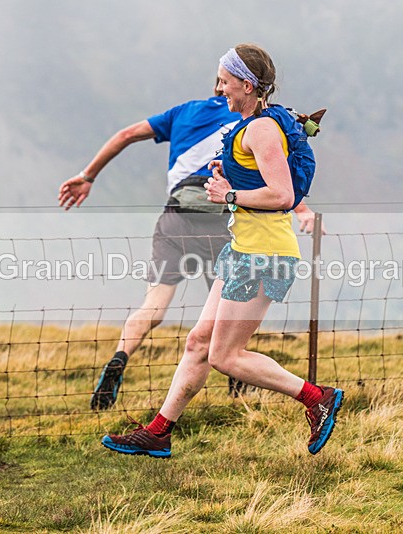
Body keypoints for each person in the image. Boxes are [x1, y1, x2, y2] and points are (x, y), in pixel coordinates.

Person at [101, 44, 343, 458]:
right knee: (198, 341)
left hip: (262, 255)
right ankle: (159, 432)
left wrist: (228, 195)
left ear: (247, 85)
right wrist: (227, 175)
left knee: (226, 356)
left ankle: (315, 397)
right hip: (243, 249)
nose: (220, 88)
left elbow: (282, 194)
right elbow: (259, 181)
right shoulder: (251, 125)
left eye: (225, 81)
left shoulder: (263, 129)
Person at [58, 79, 321, 410]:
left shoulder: (182, 114)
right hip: (220, 223)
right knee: (229, 316)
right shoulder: (252, 121)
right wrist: (302, 209)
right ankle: (238, 385)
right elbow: (274, 178)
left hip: (176, 221)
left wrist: (88, 176)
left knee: (153, 306)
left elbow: (126, 136)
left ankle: (120, 357)